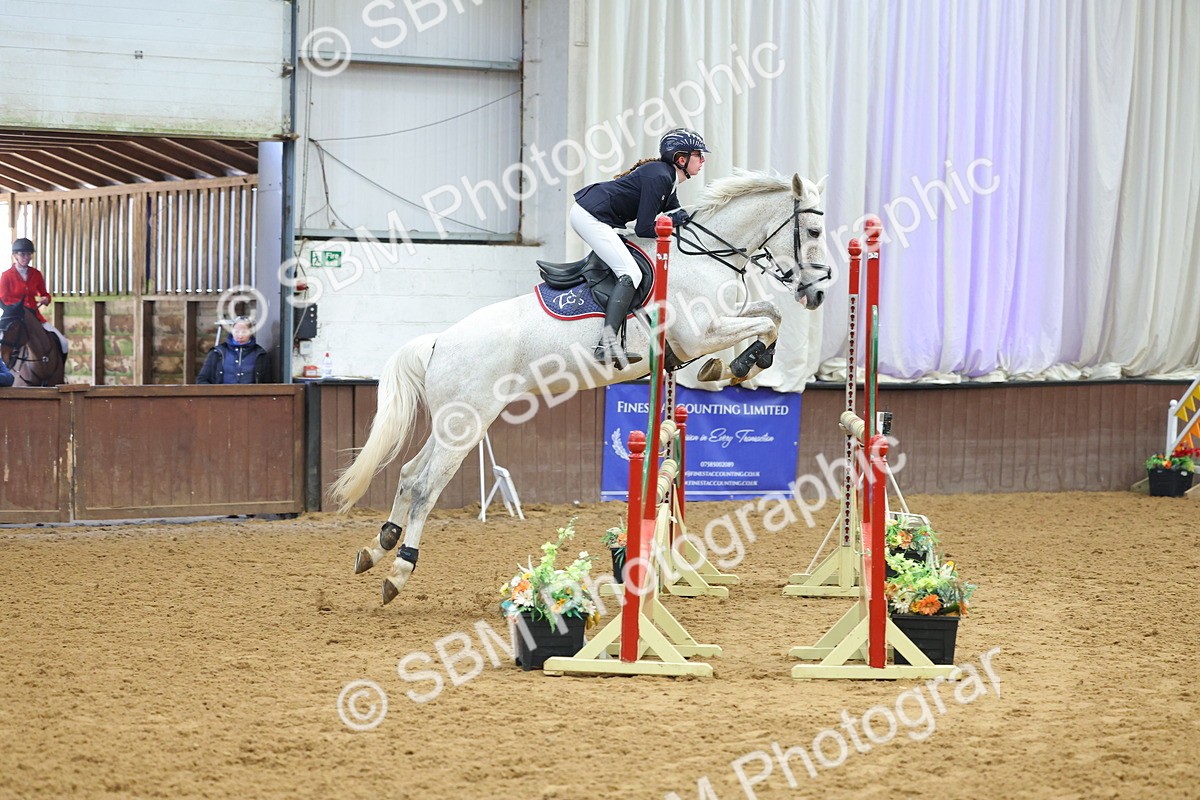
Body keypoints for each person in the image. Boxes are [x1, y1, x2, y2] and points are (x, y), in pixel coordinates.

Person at [571, 127, 709, 366]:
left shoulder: (668, 179)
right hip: (590, 217)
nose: (703, 160)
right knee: (631, 272)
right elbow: (645, 229)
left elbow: (676, 215)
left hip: (598, 216)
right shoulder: (659, 177)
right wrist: (678, 219)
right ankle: (606, 343)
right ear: (681, 158)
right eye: (698, 155)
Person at [0, 238, 69, 354]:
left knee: (63, 342)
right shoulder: (6, 276)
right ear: (15, 255)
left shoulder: (36, 274)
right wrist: (19, 306)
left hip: (34, 316)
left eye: (29, 254)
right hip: (13, 318)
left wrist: (46, 299)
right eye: (22, 254)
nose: (26, 257)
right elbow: (3, 298)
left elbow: (45, 294)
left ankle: (59, 371)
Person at [197, 316, 272, 384]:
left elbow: (267, 384)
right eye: (237, 331)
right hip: (222, 397)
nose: (240, 335)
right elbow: (202, 379)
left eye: (244, 332)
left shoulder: (260, 354)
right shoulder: (217, 352)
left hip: (251, 398)